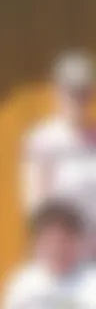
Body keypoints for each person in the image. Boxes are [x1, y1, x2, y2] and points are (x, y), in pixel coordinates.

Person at [21, 51, 96, 253]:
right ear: (58, 92)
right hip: (61, 253)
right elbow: (36, 205)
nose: (78, 99)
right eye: (71, 91)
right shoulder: (42, 141)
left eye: (83, 92)